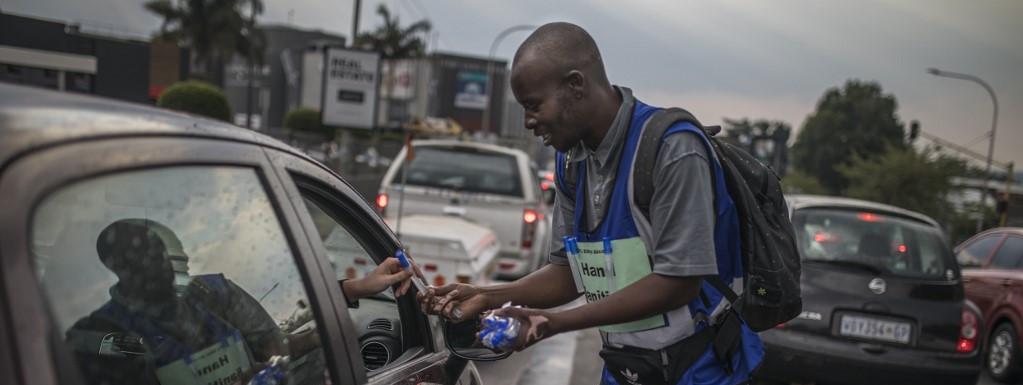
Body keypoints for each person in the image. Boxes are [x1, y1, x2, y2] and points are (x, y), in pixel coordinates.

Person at [419, 22, 763, 385]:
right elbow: (569, 273)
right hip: (626, 368)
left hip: (701, 371)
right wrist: (487, 295)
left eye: (534, 106)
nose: (529, 122)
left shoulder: (672, 150)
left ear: (576, 85)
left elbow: (679, 281)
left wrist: (553, 323)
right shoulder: (570, 162)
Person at [66, 218, 413, 385]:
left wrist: (336, 312)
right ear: (116, 267)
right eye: (143, 255)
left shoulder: (214, 293)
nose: (158, 264)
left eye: (163, 253)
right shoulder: (100, 333)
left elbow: (275, 344)